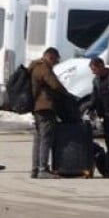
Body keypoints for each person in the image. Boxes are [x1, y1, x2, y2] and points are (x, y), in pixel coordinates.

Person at [29, 46, 73, 179]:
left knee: (38, 139)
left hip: (36, 108)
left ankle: (35, 168)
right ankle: (43, 169)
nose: (55, 64)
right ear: (50, 57)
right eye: (55, 61)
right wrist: (67, 95)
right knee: (45, 139)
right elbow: (54, 84)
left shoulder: (34, 66)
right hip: (45, 107)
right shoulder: (43, 67)